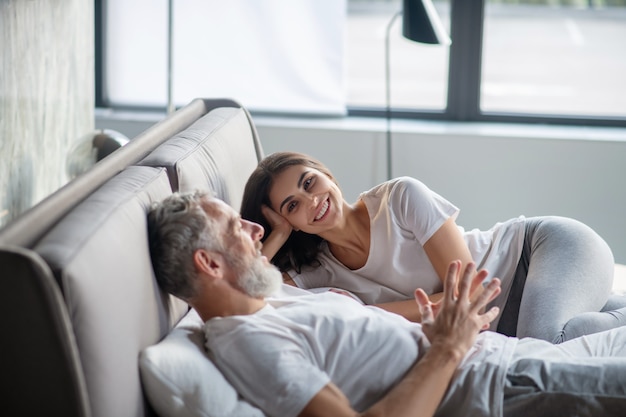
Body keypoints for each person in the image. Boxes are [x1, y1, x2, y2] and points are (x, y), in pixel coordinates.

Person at [147, 190, 626, 417]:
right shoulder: (250, 343)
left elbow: (263, 271)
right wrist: (448, 348)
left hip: (504, 357)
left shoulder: (273, 303)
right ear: (209, 265)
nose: (256, 231)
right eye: (238, 226)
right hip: (498, 385)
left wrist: (274, 235)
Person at [240, 151, 626, 343]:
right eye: (292, 205)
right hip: (511, 309)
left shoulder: (399, 198)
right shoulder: (318, 272)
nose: (311, 202)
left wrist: (370, 311)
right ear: (287, 220)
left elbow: (469, 292)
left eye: (309, 183)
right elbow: (246, 292)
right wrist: (275, 236)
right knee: (581, 327)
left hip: (540, 250)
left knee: (549, 345)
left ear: (324, 173)